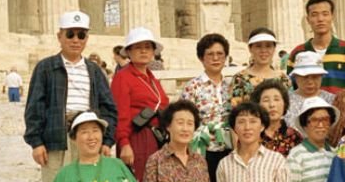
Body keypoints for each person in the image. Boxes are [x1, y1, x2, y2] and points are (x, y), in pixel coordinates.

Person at [23, 10, 118, 182]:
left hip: (88, 138)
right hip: (56, 138)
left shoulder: (95, 71)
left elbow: (109, 107)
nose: (76, 39)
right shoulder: (46, 68)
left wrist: (107, 139)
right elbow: (35, 105)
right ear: (60, 36)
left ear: (87, 38)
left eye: (81, 35)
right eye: (70, 34)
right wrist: (36, 142)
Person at [111, 26, 169, 173]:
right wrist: (124, 143)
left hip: (156, 138)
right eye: (138, 47)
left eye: (148, 47)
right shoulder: (123, 77)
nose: (143, 51)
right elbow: (120, 113)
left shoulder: (152, 78)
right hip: (136, 138)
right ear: (129, 52)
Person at [179, 33, 234, 170]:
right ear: (201, 58)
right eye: (210, 54)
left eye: (220, 54)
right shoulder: (193, 87)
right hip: (202, 149)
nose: (215, 58)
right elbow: (184, 118)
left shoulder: (231, 87)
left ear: (226, 57)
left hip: (228, 148)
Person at [288, 0, 345, 91]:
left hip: (339, 106)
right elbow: (292, 89)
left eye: (325, 14)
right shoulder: (298, 53)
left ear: (332, 17)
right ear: (308, 19)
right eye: (314, 15)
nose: (320, 19)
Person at [228, 29, 287, 105]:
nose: (263, 50)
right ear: (250, 48)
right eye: (258, 46)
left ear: (274, 49)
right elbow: (233, 110)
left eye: (268, 46)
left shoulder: (283, 79)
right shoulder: (240, 79)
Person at [282, 52, 329, 129]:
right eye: (305, 77)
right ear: (296, 77)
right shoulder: (285, 101)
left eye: (315, 77)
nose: (310, 82)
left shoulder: (332, 100)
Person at [252, 79, 297, 155]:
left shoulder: (294, 136)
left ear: (284, 104)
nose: (272, 105)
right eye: (266, 100)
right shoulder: (251, 135)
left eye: (276, 99)